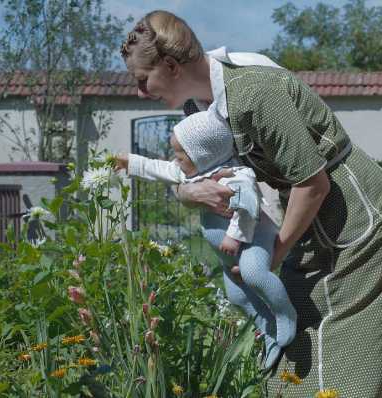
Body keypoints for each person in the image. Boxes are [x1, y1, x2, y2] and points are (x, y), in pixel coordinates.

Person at [119, 10, 382, 397]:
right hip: (307, 225)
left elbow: (313, 183)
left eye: (143, 80)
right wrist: (190, 193)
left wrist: (274, 254)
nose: (141, 92)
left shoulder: (255, 93)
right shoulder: (199, 110)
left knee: (343, 364)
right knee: (299, 354)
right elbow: (187, 177)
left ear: (171, 65)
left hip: (358, 219)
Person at [116, 110, 297, 370]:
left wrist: (234, 237)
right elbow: (159, 168)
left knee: (254, 272)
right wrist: (129, 162)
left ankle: (285, 314)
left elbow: (249, 206)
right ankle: (268, 329)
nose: (175, 162)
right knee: (237, 296)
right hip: (227, 254)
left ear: (202, 155)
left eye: (180, 156)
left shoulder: (236, 175)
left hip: (253, 239)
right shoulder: (191, 173)